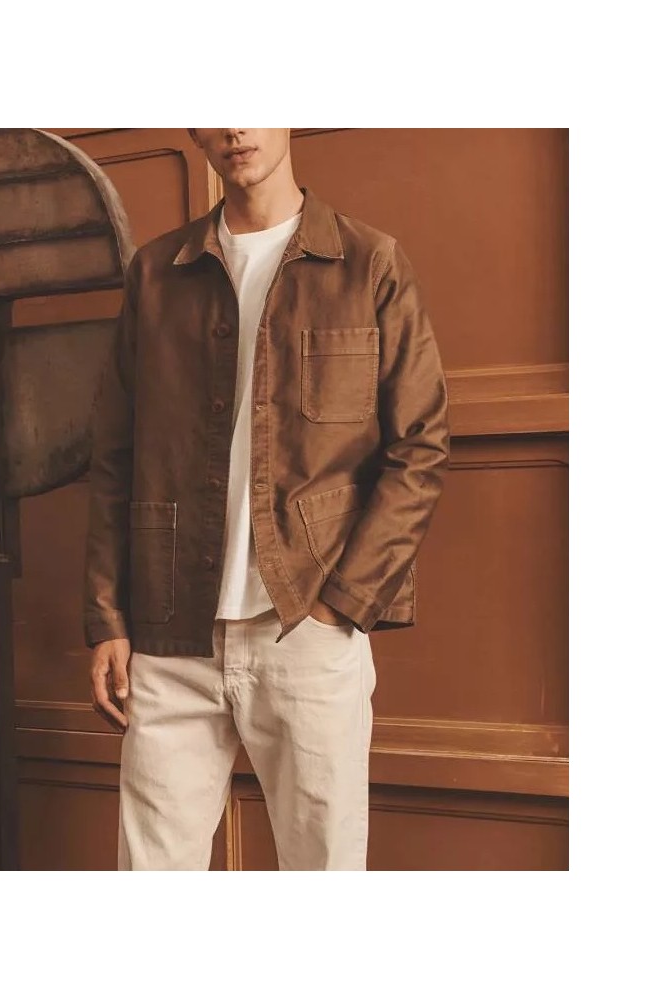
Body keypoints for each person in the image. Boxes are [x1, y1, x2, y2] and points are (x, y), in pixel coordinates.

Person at [84, 128, 450, 870]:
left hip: (308, 627)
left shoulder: (369, 262)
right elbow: (115, 456)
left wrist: (343, 603)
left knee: (322, 872)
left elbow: (420, 447)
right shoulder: (156, 273)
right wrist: (107, 616)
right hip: (170, 634)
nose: (234, 127)